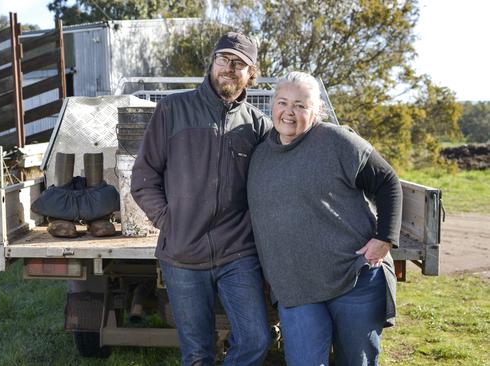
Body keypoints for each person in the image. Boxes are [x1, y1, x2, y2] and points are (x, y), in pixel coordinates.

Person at [131, 32, 272, 365]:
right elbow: (144, 177)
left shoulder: (257, 126)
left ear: (251, 73)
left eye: (239, 63)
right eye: (223, 59)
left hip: (237, 252)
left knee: (255, 340)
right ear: (212, 62)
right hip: (182, 255)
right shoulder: (172, 110)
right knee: (197, 353)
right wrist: (168, 221)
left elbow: (283, 172)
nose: (229, 68)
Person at [247, 71, 402, 366]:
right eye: (282, 102)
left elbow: (387, 182)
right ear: (271, 107)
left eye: (301, 105)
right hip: (295, 286)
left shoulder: (337, 141)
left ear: (317, 111)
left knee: (356, 362)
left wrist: (384, 239)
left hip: (353, 276)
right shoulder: (259, 155)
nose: (289, 112)